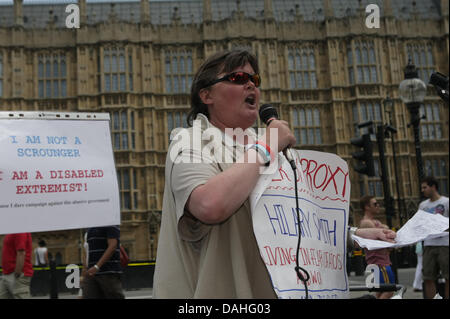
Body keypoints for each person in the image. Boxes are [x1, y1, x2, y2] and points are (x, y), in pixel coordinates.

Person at [153, 49, 397, 299]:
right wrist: (268, 146)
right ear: (206, 95)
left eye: (254, 80)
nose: (250, 84)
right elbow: (210, 205)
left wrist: (352, 235)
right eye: (238, 78)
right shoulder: (189, 141)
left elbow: (292, 222)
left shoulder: (264, 145)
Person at [359, 196, 395, 299]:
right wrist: (386, 231)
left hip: (380, 262)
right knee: (389, 290)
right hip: (379, 263)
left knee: (381, 292)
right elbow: (381, 239)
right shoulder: (366, 223)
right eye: (375, 204)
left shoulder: (376, 222)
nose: (378, 205)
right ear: (367, 207)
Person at [419, 176, 449, 299]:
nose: (422, 190)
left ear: (433, 187)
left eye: (425, 187)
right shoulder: (423, 206)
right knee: (428, 277)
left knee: (448, 276)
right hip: (429, 244)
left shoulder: (446, 202)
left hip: (445, 244)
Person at [81, 226, 124, 299]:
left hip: (108, 273)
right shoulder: (90, 228)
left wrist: (97, 266)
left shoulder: (110, 223)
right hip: (91, 273)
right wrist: (85, 271)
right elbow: (87, 252)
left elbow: (113, 246)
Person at [0, 233, 34, 299]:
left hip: (17, 274)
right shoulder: (11, 231)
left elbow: (21, 252)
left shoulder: (20, 231)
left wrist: (18, 273)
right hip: (7, 274)